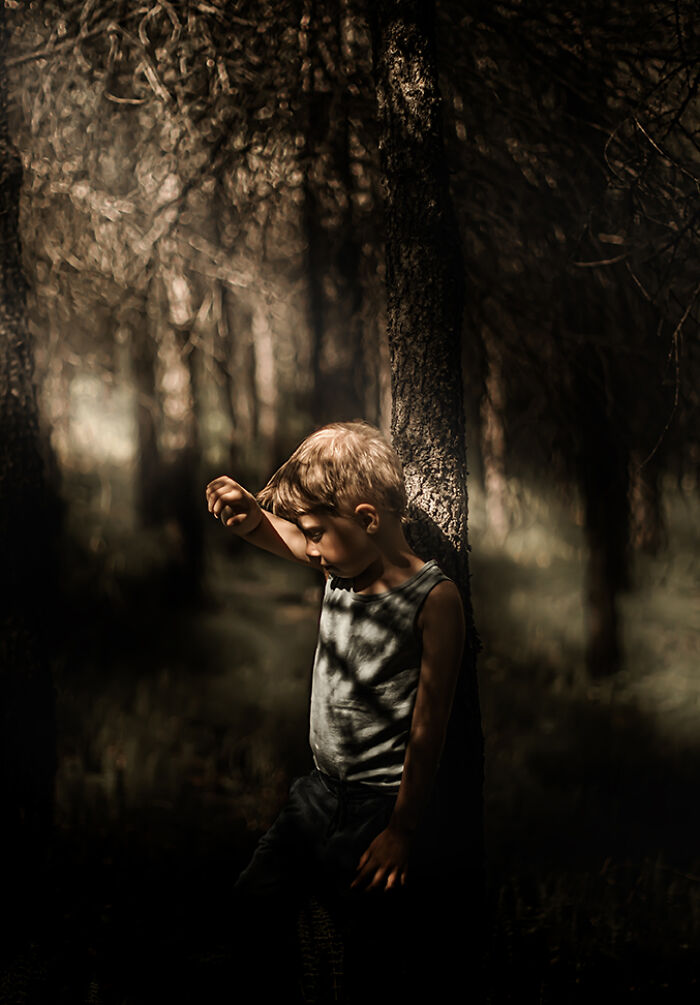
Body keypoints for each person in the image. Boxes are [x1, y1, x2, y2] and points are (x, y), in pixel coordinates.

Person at [205, 420, 466, 1002]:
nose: (311, 548)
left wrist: (403, 829)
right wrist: (251, 513)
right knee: (252, 904)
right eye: (308, 534)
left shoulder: (433, 600)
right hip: (316, 795)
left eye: (318, 533)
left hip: (379, 808)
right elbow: (289, 537)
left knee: (368, 954)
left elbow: (430, 726)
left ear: (368, 520)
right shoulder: (342, 569)